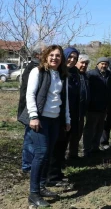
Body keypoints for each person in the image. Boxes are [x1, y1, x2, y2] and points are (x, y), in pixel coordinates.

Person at [17, 45, 70, 207]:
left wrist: (67, 119)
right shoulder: (38, 71)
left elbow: (64, 99)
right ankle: (33, 194)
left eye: (58, 56)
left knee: (48, 154)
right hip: (40, 119)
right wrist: (33, 116)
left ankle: (41, 186)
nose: (55, 58)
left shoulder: (62, 75)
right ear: (46, 56)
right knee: (41, 153)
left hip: (55, 120)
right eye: (52, 55)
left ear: (62, 59)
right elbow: (30, 94)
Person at [46, 47, 82, 187]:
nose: (72, 60)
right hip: (56, 115)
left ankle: (58, 173)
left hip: (69, 116)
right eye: (70, 57)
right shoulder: (58, 74)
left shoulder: (73, 73)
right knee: (55, 147)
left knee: (62, 146)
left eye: (75, 58)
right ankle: (51, 177)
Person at [18, 42, 46, 174]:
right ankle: (27, 166)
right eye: (45, 52)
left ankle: (32, 164)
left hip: (33, 108)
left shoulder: (39, 67)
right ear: (37, 55)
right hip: (28, 109)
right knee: (29, 138)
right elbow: (29, 93)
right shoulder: (33, 68)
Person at [83, 57, 111, 157]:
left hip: (103, 107)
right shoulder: (91, 74)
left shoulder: (108, 75)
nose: (104, 66)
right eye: (102, 63)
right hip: (92, 107)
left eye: (106, 64)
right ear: (97, 64)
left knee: (99, 129)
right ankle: (87, 150)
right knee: (90, 129)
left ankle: (95, 147)